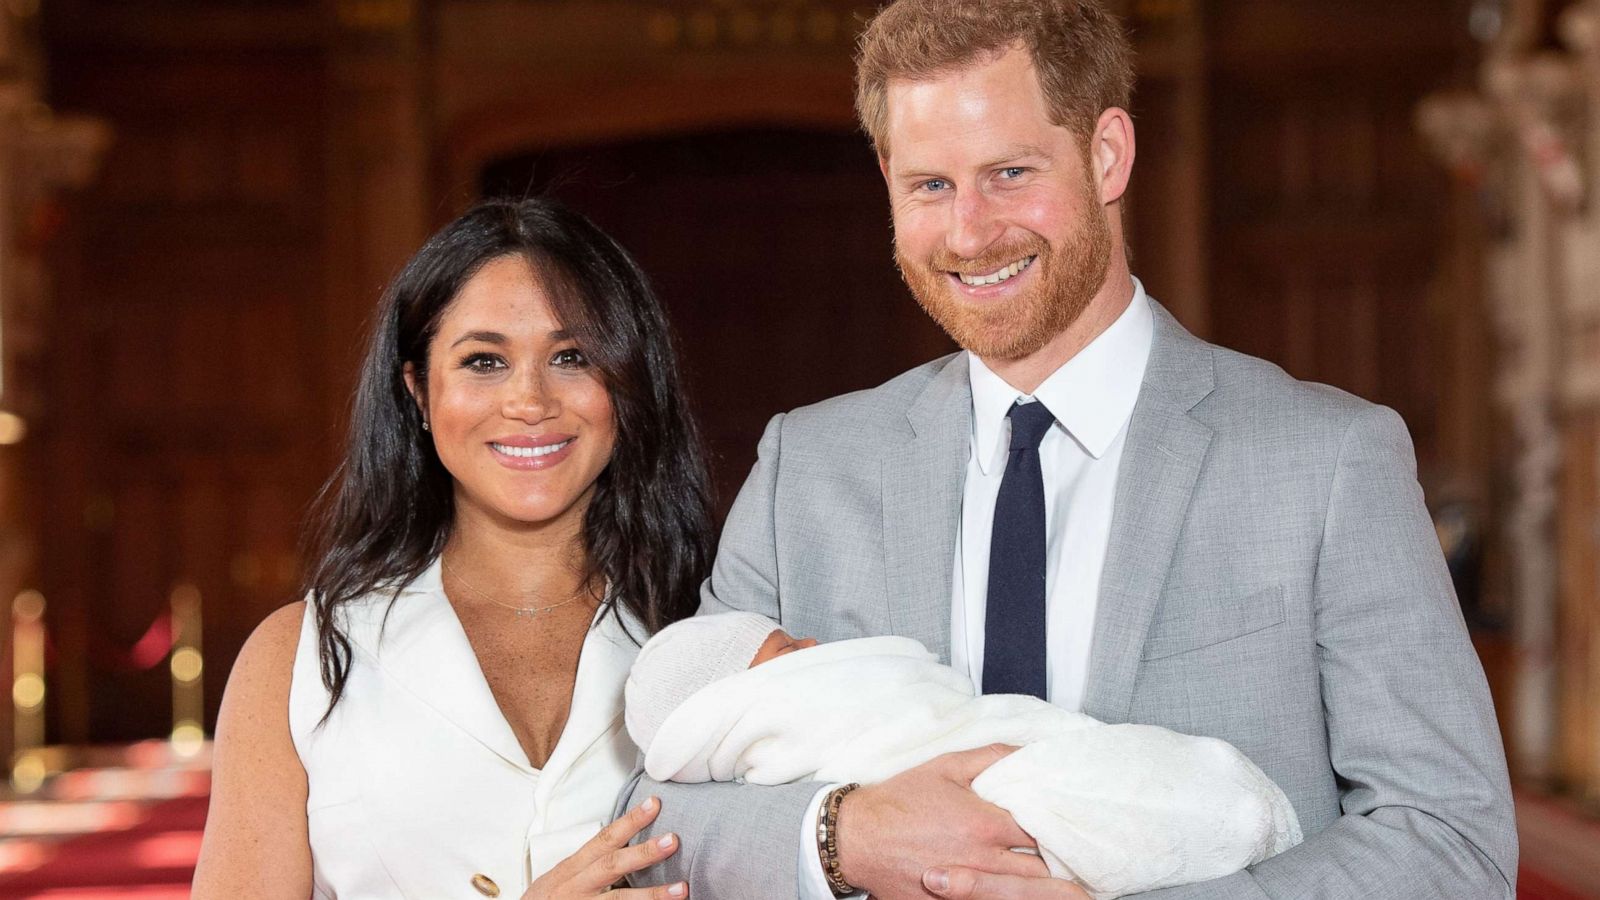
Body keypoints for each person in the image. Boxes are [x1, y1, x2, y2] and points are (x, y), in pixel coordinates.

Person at [626, 0, 1519, 897]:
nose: (971, 233)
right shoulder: (806, 470)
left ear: (1107, 154)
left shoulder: (1330, 462)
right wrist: (842, 836)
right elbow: (655, 814)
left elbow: (1450, 839)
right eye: (930, 185)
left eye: (1010, 173)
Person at [193, 197, 713, 899]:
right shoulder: (296, 661)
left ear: (627, 381)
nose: (529, 400)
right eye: (484, 361)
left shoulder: (712, 631)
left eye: (572, 356)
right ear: (417, 390)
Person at [623, 611, 1301, 899]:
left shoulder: (1341, 448)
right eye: (788, 649)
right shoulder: (793, 461)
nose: (810, 646)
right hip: (1010, 778)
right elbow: (655, 815)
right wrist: (840, 833)